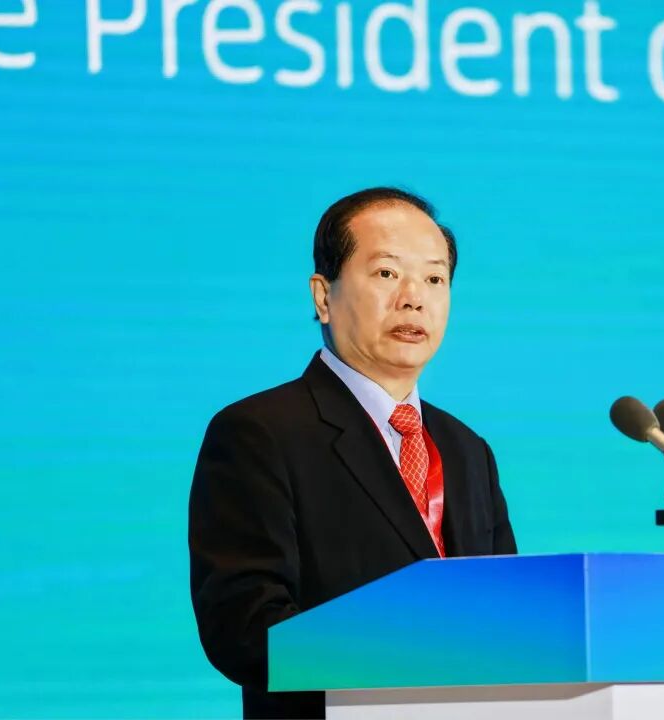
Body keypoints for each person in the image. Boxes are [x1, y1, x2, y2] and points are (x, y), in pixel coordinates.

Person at [188, 187, 517, 719]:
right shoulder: (259, 432)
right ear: (323, 296)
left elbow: (513, 615)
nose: (413, 298)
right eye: (387, 273)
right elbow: (243, 627)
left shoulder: (468, 450)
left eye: (434, 279)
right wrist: (418, 661)